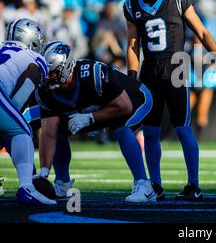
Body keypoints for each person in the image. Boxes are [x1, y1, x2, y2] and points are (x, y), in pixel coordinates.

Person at [124, 0, 216, 201]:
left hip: (177, 68)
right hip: (149, 71)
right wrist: (132, 77)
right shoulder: (132, 6)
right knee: (149, 131)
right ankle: (155, 184)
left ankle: (193, 184)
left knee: (183, 129)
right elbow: (132, 46)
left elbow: (201, 30)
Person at [33, 41, 156, 203]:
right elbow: (48, 132)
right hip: (98, 108)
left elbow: (124, 107)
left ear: (66, 67)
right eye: (45, 73)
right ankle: (63, 184)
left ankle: (144, 185)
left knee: (121, 127)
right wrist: (44, 170)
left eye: (53, 73)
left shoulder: (93, 73)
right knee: (58, 131)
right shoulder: (45, 90)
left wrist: (92, 118)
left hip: (135, 99)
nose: (48, 77)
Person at [0, 18, 55, 205]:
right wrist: (14, 111)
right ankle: (27, 188)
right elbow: (31, 73)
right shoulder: (35, 58)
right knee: (21, 130)